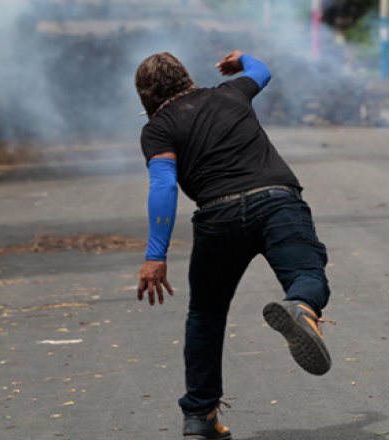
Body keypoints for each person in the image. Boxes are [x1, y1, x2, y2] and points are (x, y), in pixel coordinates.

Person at [134, 50, 332, 440]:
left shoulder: (157, 128)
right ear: (185, 76)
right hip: (277, 199)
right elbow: (263, 71)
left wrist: (155, 255)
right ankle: (302, 309)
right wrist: (243, 58)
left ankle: (200, 415)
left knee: (205, 315)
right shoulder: (231, 92)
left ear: (145, 95)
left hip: (217, 216)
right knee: (306, 274)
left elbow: (162, 186)